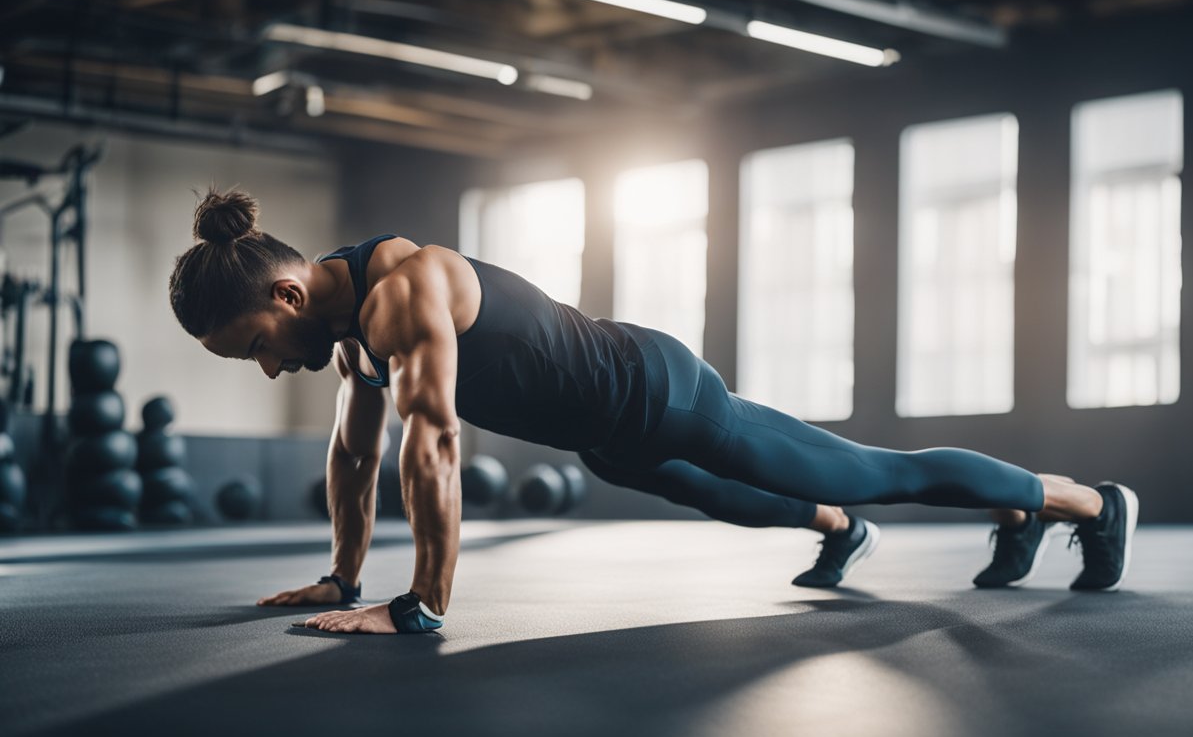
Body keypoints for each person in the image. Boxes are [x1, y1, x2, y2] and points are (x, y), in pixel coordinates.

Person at [169, 189, 1139, 635]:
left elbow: (433, 443)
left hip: (662, 394)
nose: (262, 370)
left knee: (876, 468)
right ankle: (843, 533)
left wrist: (421, 606)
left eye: (251, 345)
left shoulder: (403, 290)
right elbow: (353, 458)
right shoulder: (346, 335)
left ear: (286, 297)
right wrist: (341, 581)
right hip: (609, 438)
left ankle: (1090, 504)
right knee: (734, 502)